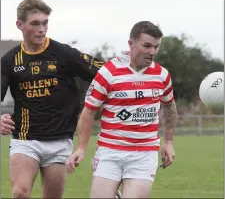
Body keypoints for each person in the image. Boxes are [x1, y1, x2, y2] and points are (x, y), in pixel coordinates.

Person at [0, 0, 106, 199]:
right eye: (35, 23)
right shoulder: (10, 60)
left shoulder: (63, 53)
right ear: (19, 25)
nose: (42, 29)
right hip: (26, 139)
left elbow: (103, 72)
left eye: (45, 23)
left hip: (59, 141)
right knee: (20, 193)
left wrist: (127, 65)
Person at [67, 21, 177, 198]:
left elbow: (169, 105)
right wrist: (81, 148)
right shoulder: (108, 72)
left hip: (144, 153)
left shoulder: (162, 75)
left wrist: (169, 141)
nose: (152, 52)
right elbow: (88, 111)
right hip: (110, 151)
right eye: (147, 45)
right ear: (131, 43)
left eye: (156, 47)